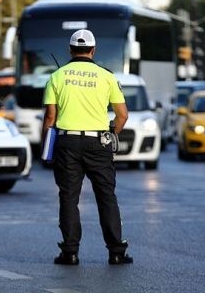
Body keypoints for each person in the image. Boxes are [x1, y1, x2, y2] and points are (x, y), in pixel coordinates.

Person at [41, 29, 132, 265]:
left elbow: (50, 117)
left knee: (69, 197)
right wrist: (111, 133)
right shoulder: (107, 77)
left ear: (70, 50)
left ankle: (70, 252)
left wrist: (47, 148)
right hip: (98, 143)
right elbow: (122, 115)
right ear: (93, 50)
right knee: (106, 196)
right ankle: (116, 252)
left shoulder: (57, 76)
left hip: (67, 142)